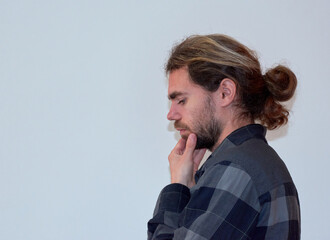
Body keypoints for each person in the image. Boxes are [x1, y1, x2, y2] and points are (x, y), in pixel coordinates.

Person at [147, 34, 300, 240]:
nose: (171, 114)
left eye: (181, 100)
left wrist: (177, 188)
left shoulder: (236, 169)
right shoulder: (249, 163)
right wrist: (190, 192)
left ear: (225, 93)